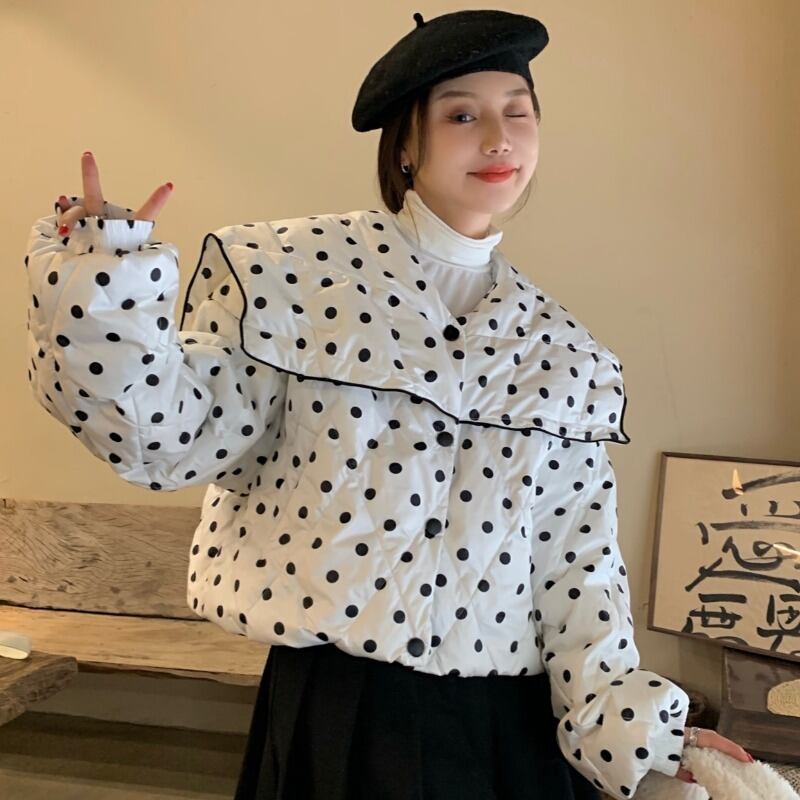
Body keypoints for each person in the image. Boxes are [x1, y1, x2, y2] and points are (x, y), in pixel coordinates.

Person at [23, 8, 755, 800]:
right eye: (463, 115)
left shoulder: (564, 354)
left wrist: (641, 732)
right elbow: (168, 436)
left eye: (518, 112)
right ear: (405, 144)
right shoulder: (293, 278)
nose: (499, 139)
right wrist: (106, 283)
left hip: (510, 734)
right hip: (343, 715)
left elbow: (578, 568)